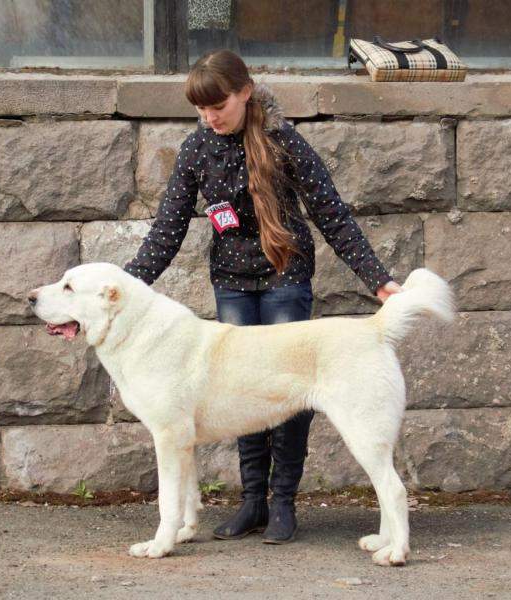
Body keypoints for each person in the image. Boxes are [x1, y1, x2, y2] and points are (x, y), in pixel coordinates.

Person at [123, 49, 403, 545]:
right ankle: (251, 501)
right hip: (231, 282)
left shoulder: (283, 141)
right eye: (201, 109)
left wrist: (377, 280)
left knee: (293, 393)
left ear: (245, 93)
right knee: (238, 394)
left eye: (219, 106)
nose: (210, 117)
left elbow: (331, 214)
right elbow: (166, 230)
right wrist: (124, 287)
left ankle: (283, 503)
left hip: (285, 278)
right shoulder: (196, 149)